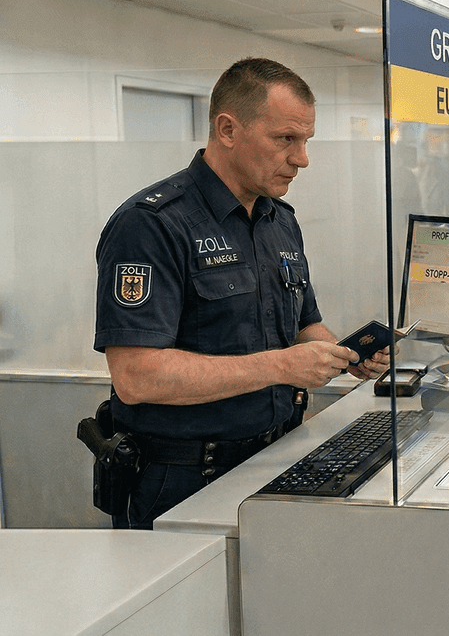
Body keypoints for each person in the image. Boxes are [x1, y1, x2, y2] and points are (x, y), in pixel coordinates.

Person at [93, 58, 389, 530]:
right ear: (227, 130)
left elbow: (304, 325)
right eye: (285, 139)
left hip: (276, 456)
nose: (302, 158)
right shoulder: (153, 225)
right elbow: (137, 376)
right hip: (184, 477)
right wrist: (283, 366)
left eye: (306, 141)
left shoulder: (280, 221)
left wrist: (345, 354)